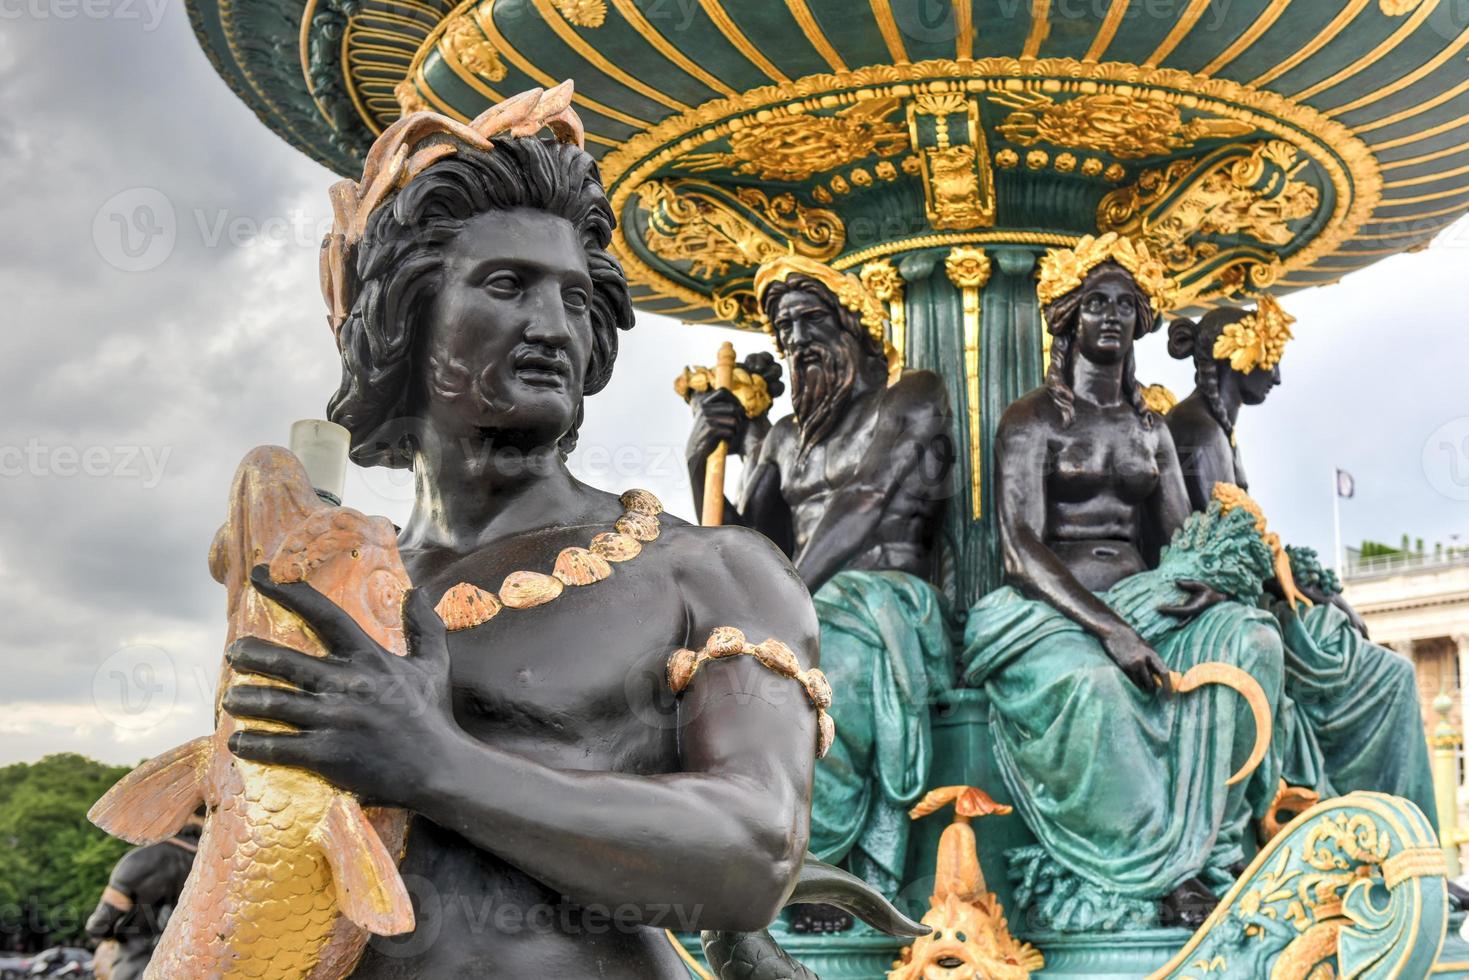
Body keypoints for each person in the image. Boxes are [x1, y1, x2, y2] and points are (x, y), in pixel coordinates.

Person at [217, 85, 834, 978]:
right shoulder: (335, 583)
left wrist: (434, 766)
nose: (552, 325)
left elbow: (754, 852)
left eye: (576, 298)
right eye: (507, 285)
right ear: (407, 313)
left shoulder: (709, 572)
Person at [961, 234, 1289, 930]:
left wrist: (1207, 581)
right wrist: (1109, 630)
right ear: (1070, 318)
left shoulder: (1150, 430)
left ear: (1139, 321)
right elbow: (1018, 548)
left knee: (1251, 639)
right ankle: (1157, 872)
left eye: (1124, 304)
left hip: (1145, 597)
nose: (1110, 315)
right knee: (1098, 687)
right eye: (1096, 303)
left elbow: (1177, 535)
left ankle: (1220, 846)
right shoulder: (1031, 420)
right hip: (1047, 609)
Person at [683, 255, 953, 930]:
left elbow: (866, 501)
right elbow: (747, 544)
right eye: (783, 329)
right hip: (804, 597)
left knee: (815, 662)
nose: (795, 340)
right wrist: (698, 461)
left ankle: (829, 868)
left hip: (889, 596)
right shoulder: (782, 438)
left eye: (810, 320)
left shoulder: (911, 396)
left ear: (856, 325)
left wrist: (785, 603)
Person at [1165, 299, 1435, 824]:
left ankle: (1387, 831)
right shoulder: (1197, 431)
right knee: (1391, 678)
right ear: (1236, 355)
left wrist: (1323, 592)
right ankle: (1391, 837)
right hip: (1227, 604)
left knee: (1377, 665)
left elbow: (1250, 542)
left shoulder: (1214, 429)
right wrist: (1324, 594)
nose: (1279, 377)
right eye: (1270, 357)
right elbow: (1224, 545)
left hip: (1247, 596)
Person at [84, 811, 200, 980]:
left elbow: (100, 925)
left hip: (136, 966)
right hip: (195, 968)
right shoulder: (220, 865)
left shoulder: (137, 861)